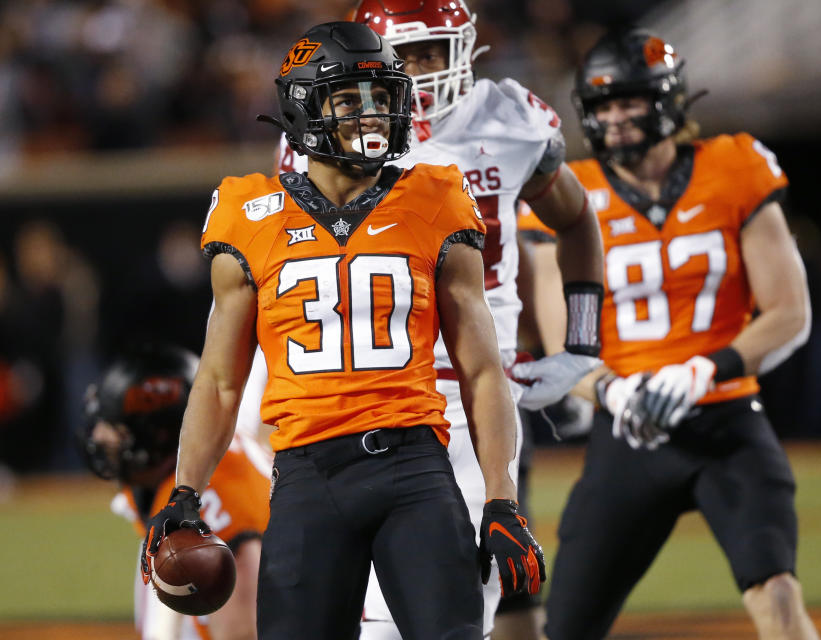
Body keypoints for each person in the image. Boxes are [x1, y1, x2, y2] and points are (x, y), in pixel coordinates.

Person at [138, 22, 544, 640]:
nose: (371, 114)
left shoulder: (437, 198)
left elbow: (482, 370)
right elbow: (220, 381)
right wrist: (186, 492)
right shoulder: (249, 214)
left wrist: (500, 497)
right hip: (308, 474)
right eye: (349, 99)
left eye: (381, 97)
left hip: (416, 468)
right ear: (305, 107)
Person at [272, 3, 606, 638]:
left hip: (474, 395)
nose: (425, 68)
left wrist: (581, 343)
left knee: (450, 611)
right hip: (362, 388)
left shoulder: (510, 120)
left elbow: (576, 218)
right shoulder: (326, 130)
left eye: (436, 50)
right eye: (411, 53)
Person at [525, 26, 821, 640]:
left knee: (780, 597)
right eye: (602, 106)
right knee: (566, 628)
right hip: (627, 432)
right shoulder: (571, 196)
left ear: (667, 99)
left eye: (629, 100)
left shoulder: (735, 166)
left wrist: (705, 369)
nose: (615, 118)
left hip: (726, 420)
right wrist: (616, 394)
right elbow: (562, 343)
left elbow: (790, 313)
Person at [78, 344, 270, 640]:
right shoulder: (198, 473)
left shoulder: (211, 492)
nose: (99, 436)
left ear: (157, 434)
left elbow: (242, 630)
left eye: (114, 427)